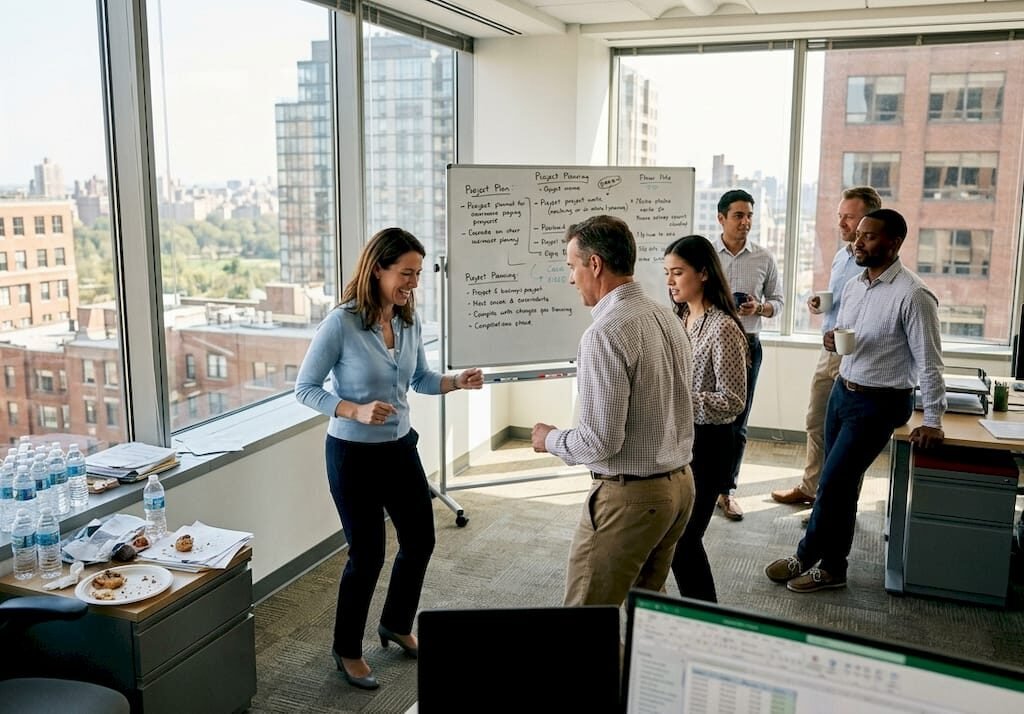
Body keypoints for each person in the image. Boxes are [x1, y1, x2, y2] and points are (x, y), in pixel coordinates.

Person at [294, 227, 484, 690]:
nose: (413, 283)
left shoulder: (408, 321)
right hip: (352, 456)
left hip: (400, 448)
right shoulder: (340, 323)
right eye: (406, 273)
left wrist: (454, 382)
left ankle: (396, 624)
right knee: (367, 555)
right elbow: (305, 389)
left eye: (418, 274)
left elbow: (419, 379)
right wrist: (353, 409)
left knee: (420, 541)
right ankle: (346, 649)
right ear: (378, 269)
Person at [765, 208, 945, 593]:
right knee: (840, 486)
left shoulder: (914, 295)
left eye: (869, 236)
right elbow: (844, 333)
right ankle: (832, 567)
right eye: (858, 234)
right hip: (843, 390)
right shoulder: (854, 286)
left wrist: (933, 419)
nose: (857, 242)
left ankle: (809, 555)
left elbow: (930, 362)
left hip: (881, 402)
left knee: (832, 484)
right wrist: (831, 340)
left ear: (894, 243)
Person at [531, 214, 696, 607]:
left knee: (585, 621)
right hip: (679, 488)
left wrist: (549, 439)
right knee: (647, 612)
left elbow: (599, 442)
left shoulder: (605, 333)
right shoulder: (666, 315)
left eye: (572, 266)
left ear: (595, 264)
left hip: (632, 499)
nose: (571, 278)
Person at [771, 186, 882, 509]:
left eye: (849, 217)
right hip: (829, 351)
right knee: (816, 421)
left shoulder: (874, 262)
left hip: (857, 356)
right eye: (840, 216)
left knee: (848, 436)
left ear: (868, 221)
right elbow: (842, 300)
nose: (841, 223)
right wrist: (822, 303)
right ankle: (811, 488)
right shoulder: (841, 256)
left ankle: (837, 506)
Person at [664, 235, 747, 602]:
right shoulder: (682, 317)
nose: (670, 281)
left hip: (710, 446)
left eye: (678, 272)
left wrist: (679, 399)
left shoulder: (723, 327)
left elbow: (733, 401)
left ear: (703, 273)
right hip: (683, 440)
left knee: (685, 540)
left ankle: (706, 618)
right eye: (667, 272)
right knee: (675, 537)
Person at [712, 189, 783, 521]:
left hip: (747, 345)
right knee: (701, 418)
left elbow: (778, 302)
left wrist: (760, 308)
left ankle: (726, 491)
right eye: (739, 215)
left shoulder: (764, 258)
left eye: (749, 215)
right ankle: (698, 486)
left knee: (738, 423)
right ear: (721, 218)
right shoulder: (706, 255)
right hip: (709, 342)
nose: (746, 222)